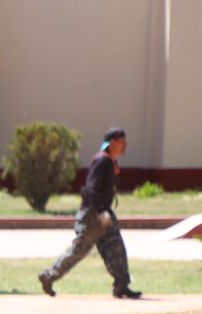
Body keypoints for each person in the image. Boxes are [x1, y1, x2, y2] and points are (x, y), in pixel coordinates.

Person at [38, 128, 142, 299]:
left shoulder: (110, 161)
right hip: (93, 216)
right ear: (113, 142)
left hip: (104, 214)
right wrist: (100, 211)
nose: (126, 145)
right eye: (123, 142)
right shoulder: (102, 161)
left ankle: (122, 285)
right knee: (79, 251)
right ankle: (48, 276)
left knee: (116, 249)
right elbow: (90, 189)